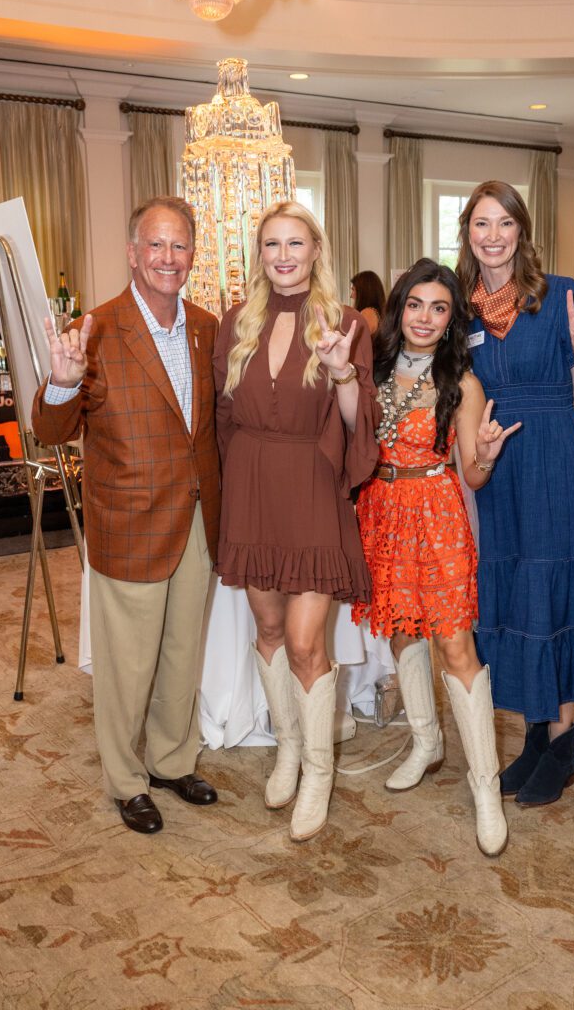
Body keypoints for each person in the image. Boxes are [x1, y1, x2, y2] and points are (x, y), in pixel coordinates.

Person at [31, 197, 221, 834]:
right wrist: (60, 383)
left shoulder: (204, 325)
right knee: (127, 664)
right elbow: (52, 429)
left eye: (180, 246)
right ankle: (125, 779)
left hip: (197, 520)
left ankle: (170, 760)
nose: (169, 259)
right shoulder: (97, 329)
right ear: (133, 253)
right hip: (131, 522)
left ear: (193, 255)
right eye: (157, 246)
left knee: (182, 653)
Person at [213, 200, 378, 843]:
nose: (283, 255)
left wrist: (341, 373)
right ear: (261, 255)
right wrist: (230, 497)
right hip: (253, 485)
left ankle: (318, 772)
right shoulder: (237, 323)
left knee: (309, 641)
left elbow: (353, 423)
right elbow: (225, 419)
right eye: (271, 245)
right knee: (271, 626)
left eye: (295, 243)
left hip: (311, 485)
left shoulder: (344, 323)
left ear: (316, 250)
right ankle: (286, 747)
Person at [455, 180, 574, 807]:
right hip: (498, 463)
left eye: (504, 224)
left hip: (551, 453)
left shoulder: (559, 295)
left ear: (522, 231)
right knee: (514, 592)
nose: (492, 237)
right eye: (480, 225)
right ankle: (532, 735)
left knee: (553, 588)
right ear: (467, 234)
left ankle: (564, 738)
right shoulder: (462, 310)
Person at [352, 258, 519, 857]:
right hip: (382, 512)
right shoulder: (369, 371)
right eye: (415, 305)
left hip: (438, 512)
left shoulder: (463, 382)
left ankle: (485, 789)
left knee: (455, 644)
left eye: (439, 308)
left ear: (452, 320)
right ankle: (425, 742)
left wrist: (489, 453)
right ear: (400, 311)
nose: (425, 318)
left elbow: (472, 476)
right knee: (401, 631)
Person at [350, 270, 386, 334]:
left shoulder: (368, 313)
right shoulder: (378, 312)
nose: (351, 295)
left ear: (363, 292)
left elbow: (358, 341)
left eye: (353, 290)